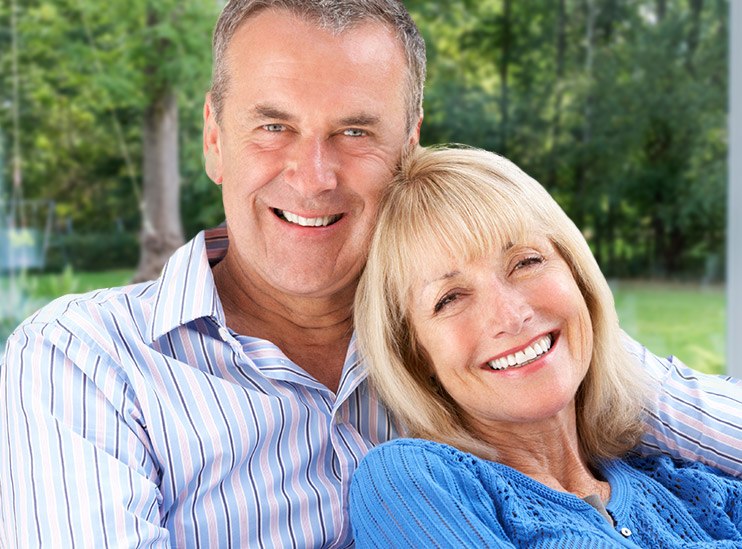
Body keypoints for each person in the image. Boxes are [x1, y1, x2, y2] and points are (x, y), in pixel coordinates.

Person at [0, 1, 738, 547]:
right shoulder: (83, 359)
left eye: (355, 131)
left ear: (407, 145)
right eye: (273, 126)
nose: (313, 175)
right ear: (215, 138)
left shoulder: (485, 344)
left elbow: (641, 396)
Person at [349, 145, 741, 547]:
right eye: (450, 298)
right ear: (416, 354)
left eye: (526, 262)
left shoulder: (697, 490)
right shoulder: (411, 482)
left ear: (577, 276)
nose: (511, 315)